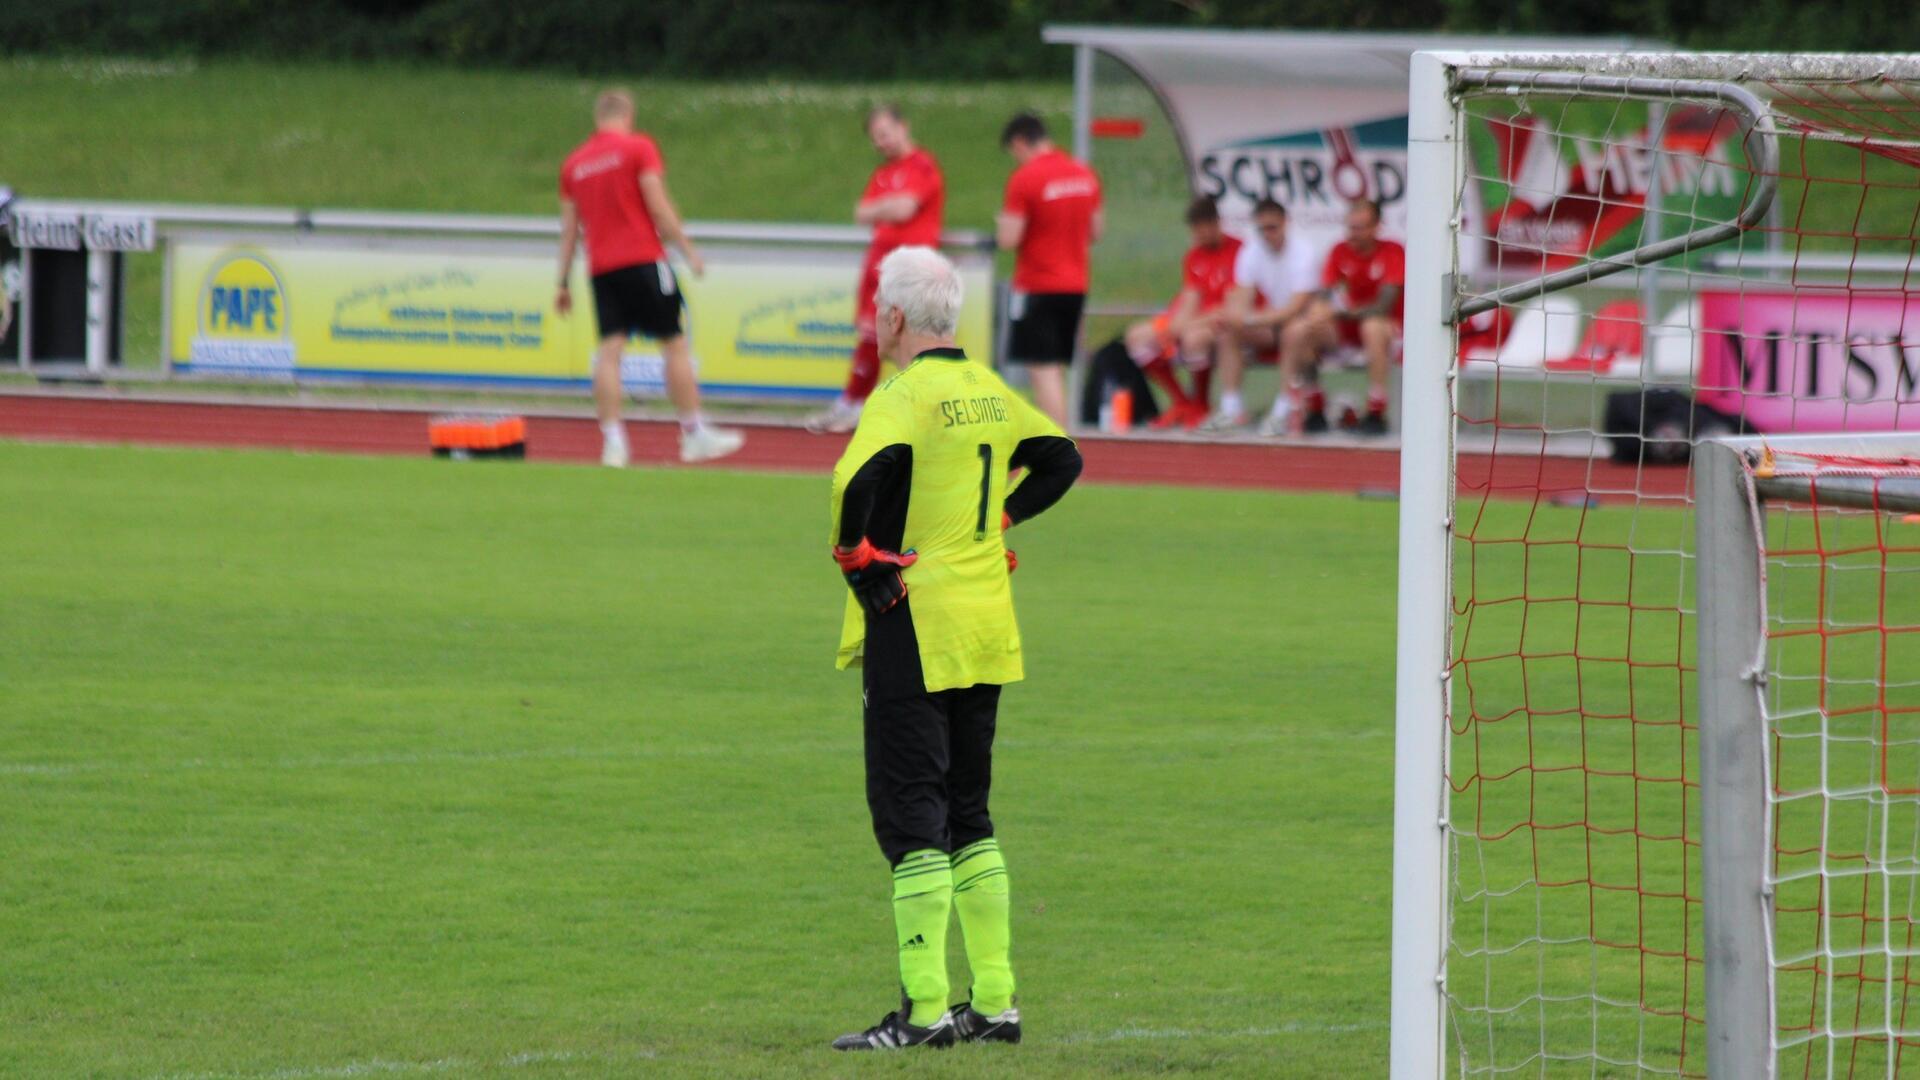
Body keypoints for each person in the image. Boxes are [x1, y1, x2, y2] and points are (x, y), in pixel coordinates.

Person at [828, 246, 1082, 1051]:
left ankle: (926, 1013)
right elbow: (1062, 459)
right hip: (986, 626)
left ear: (895, 319)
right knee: (969, 814)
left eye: (878, 306)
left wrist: (857, 559)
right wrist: (998, 520)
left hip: (916, 623)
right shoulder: (988, 389)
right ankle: (997, 1002)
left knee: (911, 819)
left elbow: (854, 484)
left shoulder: (903, 395)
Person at [556, 89, 743, 466]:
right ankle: (693, 434)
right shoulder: (638, 148)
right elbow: (658, 207)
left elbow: (570, 230)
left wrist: (561, 282)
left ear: (598, 118)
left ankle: (613, 442)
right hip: (643, 260)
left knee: (609, 351)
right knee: (673, 344)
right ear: (628, 115)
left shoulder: (574, 164)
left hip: (602, 268)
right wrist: (689, 251)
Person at [805, 105, 946, 435]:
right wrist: (886, 208)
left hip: (909, 265)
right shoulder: (883, 174)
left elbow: (904, 208)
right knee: (872, 336)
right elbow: (862, 212)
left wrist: (884, 208)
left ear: (903, 127)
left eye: (884, 134)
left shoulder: (922, 165)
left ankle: (921, 410)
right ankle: (853, 402)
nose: (881, 142)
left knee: (907, 338)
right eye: (875, 138)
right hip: (879, 263)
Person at [1253, 198, 1404, 437]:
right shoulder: (1339, 251)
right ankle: (1311, 406)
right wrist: (1319, 312)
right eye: (1350, 227)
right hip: (1344, 333)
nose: (1353, 234)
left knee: (1372, 327)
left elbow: (1382, 307)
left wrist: (1338, 311)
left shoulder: (1392, 251)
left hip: (1385, 332)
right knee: (1301, 328)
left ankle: (1376, 410)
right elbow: (1325, 295)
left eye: (1360, 227)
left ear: (1376, 227)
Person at [997, 112, 1102, 427]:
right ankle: (1059, 435)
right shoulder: (1084, 174)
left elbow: (1008, 238)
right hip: (1076, 283)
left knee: (1043, 370)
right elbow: (1096, 230)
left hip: (1039, 284)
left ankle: (1058, 444)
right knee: (1057, 366)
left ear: (1019, 142)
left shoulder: (1026, 178)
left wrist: (1003, 223)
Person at [1121, 196, 1242, 430]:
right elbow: (1190, 297)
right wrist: (1173, 327)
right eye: (1195, 228)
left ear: (1217, 223)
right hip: (1196, 320)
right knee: (1137, 336)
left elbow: (1230, 306)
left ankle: (1201, 403)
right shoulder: (1194, 256)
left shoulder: (1238, 251)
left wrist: (1186, 325)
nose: (1200, 234)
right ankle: (1181, 402)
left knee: (1193, 338)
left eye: (1204, 226)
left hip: (1222, 324)